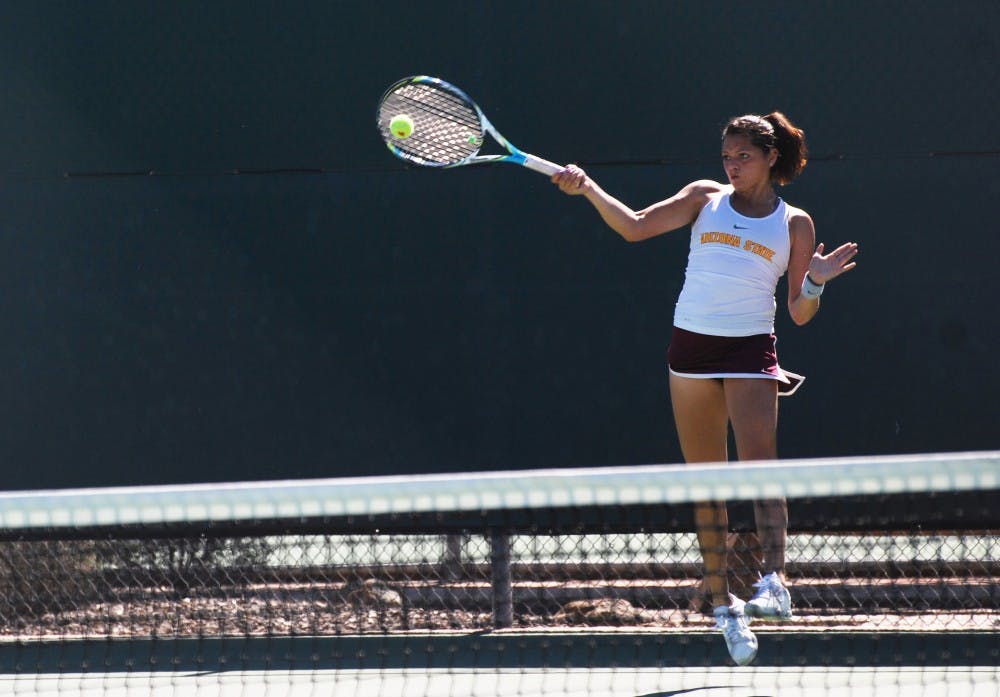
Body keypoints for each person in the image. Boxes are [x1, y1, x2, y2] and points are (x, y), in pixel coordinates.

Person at [551, 112, 858, 665]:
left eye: (743, 156)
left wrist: (813, 281)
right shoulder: (703, 197)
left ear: (770, 159)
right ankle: (725, 608)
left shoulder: (794, 224)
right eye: (727, 157)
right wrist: (588, 188)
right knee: (706, 486)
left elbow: (799, 313)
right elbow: (635, 225)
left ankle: (774, 582)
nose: (733, 166)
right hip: (689, 353)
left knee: (760, 465)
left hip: (749, 351)